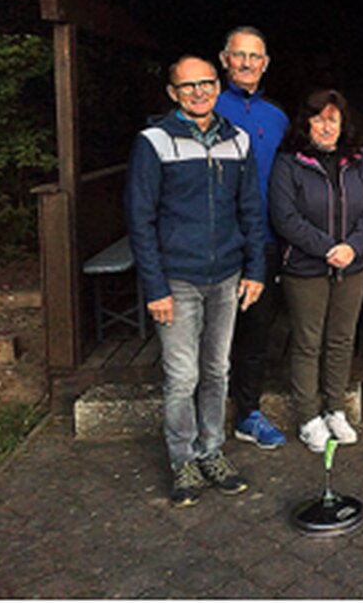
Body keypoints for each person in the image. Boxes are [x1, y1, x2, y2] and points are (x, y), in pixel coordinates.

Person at [126, 55, 264, 507]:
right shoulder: (155, 142)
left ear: (218, 86)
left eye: (207, 83)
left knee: (217, 370)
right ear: (173, 93)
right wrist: (156, 287)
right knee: (182, 375)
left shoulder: (237, 140)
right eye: (189, 87)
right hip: (178, 279)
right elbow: (140, 220)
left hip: (226, 275)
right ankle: (182, 460)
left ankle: (212, 451)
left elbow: (251, 211)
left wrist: (256, 269)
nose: (200, 92)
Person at [269, 89, 363, 451]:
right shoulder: (289, 162)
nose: (326, 126)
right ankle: (308, 416)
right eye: (318, 118)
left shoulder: (360, 159)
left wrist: (351, 246)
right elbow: (284, 216)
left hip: (353, 264)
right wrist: (327, 248)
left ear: (342, 122)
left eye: (332, 119)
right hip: (305, 266)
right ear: (306, 122)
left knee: (341, 339)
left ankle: (335, 408)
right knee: (307, 342)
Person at [214, 25, 290, 451]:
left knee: (255, 332)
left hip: (264, 241)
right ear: (224, 60)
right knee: (212, 333)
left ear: (265, 64)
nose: (246, 63)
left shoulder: (276, 116)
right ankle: (207, 416)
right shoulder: (209, 107)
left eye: (254, 57)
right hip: (217, 241)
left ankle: (248, 414)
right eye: (238, 55)